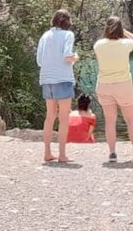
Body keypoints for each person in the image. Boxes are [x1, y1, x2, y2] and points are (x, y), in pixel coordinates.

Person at [93, 16, 133, 163]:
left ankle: (112, 154)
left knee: (110, 121)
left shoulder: (98, 45)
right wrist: (125, 32)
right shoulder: (126, 44)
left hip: (104, 85)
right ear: (120, 29)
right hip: (123, 85)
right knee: (131, 120)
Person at [36, 9, 79, 162]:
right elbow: (67, 56)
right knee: (64, 117)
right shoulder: (68, 35)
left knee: (50, 116)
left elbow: (39, 60)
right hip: (63, 79)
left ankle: (47, 153)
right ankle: (62, 154)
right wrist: (76, 57)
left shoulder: (45, 36)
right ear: (67, 22)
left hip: (46, 79)